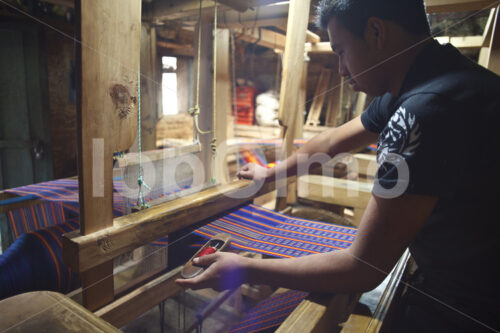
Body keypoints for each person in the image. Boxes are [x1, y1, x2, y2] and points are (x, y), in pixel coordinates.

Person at [177, 0, 500, 331]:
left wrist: (244, 268)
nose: (342, 69)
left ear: (376, 31)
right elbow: (331, 142)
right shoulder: (435, 81)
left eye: (342, 51)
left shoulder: (423, 110)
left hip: (473, 308)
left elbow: (362, 267)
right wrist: (270, 173)